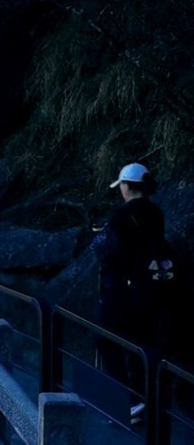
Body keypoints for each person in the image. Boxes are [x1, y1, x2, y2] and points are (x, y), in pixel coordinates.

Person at [91, 162, 172, 424]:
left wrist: (100, 233)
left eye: (121, 185)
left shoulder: (121, 216)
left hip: (122, 292)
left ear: (127, 186)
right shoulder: (156, 213)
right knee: (140, 345)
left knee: (104, 338)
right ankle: (142, 403)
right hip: (151, 291)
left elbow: (103, 249)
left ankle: (128, 400)